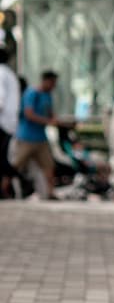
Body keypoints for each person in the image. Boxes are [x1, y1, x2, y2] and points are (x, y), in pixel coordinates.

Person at [12, 69, 60, 200]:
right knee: (15, 165)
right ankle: (4, 188)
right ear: (46, 81)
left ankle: (50, 193)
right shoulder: (32, 93)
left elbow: (50, 113)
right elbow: (29, 114)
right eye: (52, 83)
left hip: (41, 138)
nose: (54, 86)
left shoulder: (48, 95)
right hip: (26, 137)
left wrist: (56, 120)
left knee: (49, 166)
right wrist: (48, 121)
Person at [0, 45, 21, 198]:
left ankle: (14, 176)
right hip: (9, 123)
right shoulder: (10, 74)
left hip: (2, 122)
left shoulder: (0, 73)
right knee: (2, 156)